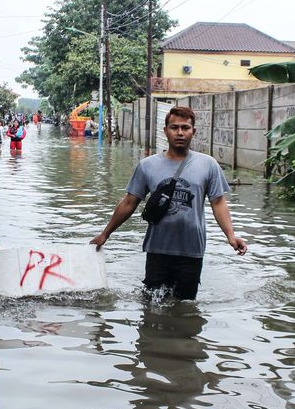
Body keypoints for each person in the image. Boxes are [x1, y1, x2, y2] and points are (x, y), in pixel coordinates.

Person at [90, 106, 247, 301]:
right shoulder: (147, 166)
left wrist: (231, 236)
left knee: (186, 306)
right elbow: (129, 202)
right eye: (174, 127)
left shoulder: (208, 165)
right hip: (158, 249)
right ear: (165, 131)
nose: (180, 133)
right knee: (151, 306)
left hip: (192, 251)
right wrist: (106, 233)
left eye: (185, 128)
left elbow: (218, 203)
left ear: (193, 132)